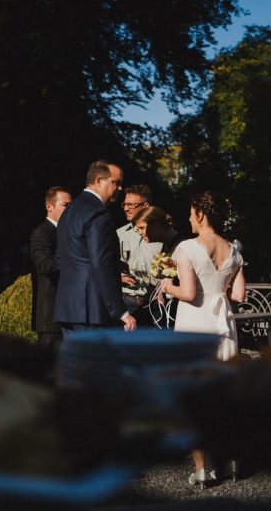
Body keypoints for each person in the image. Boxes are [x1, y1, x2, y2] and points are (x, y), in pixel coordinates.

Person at [158, 191, 245, 486]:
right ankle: (231, 462)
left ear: (200, 213)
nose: (188, 218)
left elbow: (189, 293)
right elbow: (239, 295)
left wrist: (167, 286)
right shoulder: (232, 249)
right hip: (224, 324)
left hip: (195, 324)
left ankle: (201, 469)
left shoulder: (186, 247)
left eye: (191, 212)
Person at [54, 161, 137, 331]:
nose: (120, 189)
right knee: (97, 358)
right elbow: (101, 262)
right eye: (116, 183)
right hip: (92, 309)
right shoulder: (98, 212)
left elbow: (61, 258)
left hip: (67, 306)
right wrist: (121, 312)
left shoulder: (67, 212)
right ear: (99, 180)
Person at [30, 186, 72, 351]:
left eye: (71, 205)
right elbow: (45, 265)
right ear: (49, 207)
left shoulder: (67, 232)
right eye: (65, 205)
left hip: (66, 313)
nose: (69, 210)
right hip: (50, 316)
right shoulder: (42, 233)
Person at [117, 184, 161, 312]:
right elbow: (107, 266)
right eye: (124, 204)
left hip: (153, 303)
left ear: (145, 206)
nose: (126, 208)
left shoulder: (161, 235)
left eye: (131, 205)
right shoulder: (118, 234)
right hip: (125, 301)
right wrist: (116, 276)